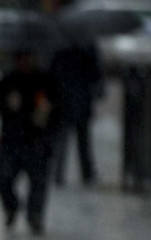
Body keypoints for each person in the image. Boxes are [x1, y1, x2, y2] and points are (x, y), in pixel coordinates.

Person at [0, 50, 60, 235]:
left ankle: (35, 216)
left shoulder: (45, 80)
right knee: (3, 177)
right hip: (11, 140)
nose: (26, 62)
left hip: (37, 140)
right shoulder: (8, 81)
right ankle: (12, 207)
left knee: (38, 181)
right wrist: (6, 104)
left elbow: (59, 108)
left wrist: (47, 114)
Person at [49, 42, 102, 187]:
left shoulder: (60, 45)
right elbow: (95, 73)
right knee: (82, 140)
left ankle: (59, 173)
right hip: (80, 98)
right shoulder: (87, 47)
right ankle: (86, 173)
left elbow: (52, 71)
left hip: (65, 99)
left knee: (64, 139)